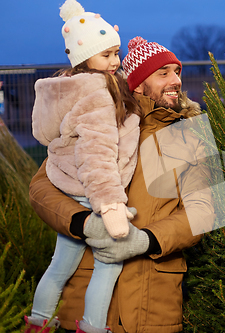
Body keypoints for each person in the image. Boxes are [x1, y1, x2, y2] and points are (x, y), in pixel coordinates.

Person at [29, 34, 215, 332]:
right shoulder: (101, 119)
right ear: (138, 83)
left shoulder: (192, 136)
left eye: (178, 72)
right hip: (82, 304)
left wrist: (146, 240)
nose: (176, 80)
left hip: (151, 306)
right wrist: (83, 224)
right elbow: (42, 188)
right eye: (163, 73)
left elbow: (203, 211)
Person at [25, 0, 140, 332]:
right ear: (84, 57)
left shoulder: (64, 87)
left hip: (69, 186)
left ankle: (38, 322)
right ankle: (91, 327)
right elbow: (97, 152)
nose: (115, 62)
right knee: (109, 262)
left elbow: (43, 133)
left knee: (60, 265)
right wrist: (110, 205)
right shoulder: (98, 93)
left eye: (116, 53)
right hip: (95, 192)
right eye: (106, 55)